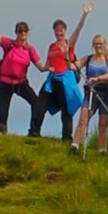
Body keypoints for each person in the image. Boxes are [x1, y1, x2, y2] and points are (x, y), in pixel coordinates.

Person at [0, 9, 46, 135]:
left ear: (28, 32)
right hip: (5, 82)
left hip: (21, 83)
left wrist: (52, 66)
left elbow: (41, 67)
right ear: (16, 33)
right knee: (3, 112)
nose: (23, 33)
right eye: (20, 31)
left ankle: (34, 131)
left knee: (37, 104)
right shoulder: (9, 44)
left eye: (25, 30)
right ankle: (1, 133)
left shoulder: (30, 49)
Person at [39, 9, 92, 144]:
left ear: (65, 31)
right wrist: (43, 67)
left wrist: (84, 15)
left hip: (66, 80)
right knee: (40, 104)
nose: (59, 33)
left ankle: (67, 137)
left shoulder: (69, 45)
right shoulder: (52, 46)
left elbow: (78, 30)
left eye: (61, 30)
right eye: (56, 30)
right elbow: (46, 65)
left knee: (67, 109)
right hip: (52, 79)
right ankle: (34, 131)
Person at [77, 34, 108, 149]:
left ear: (105, 45)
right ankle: (75, 145)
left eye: (100, 44)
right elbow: (75, 65)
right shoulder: (89, 58)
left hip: (107, 92)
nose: (98, 46)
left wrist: (98, 79)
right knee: (83, 119)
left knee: (103, 123)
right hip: (91, 91)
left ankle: (102, 149)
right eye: (96, 44)